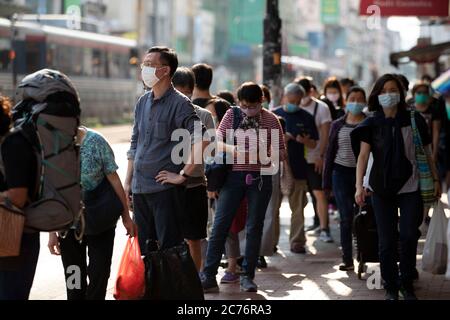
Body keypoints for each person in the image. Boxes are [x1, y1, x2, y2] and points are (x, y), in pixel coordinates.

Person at [352, 74, 440, 300]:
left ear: (401, 94)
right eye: (384, 90)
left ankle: (406, 281)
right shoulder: (371, 122)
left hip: (410, 186)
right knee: (386, 239)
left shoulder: (414, 119)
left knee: (410, 234)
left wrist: (436, 179)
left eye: (393, 90)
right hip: (381, 188)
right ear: (377, 95)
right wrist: (359, 186)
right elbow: (363, 157)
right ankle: (391, 286)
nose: (388, 94)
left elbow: (427, 153)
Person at [201, 82, 286, 293]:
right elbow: (217, 143)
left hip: (260, 178)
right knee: (220, 224)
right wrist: (235, 150)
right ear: (239, 102)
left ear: (261, 101)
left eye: (253, 105)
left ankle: (248, 275)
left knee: (254, 226)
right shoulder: (232, 115)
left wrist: (264, 154)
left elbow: (281, 152)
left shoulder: (271, 119)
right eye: (244, 105)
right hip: (233, 177)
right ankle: (209, 275)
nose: (248, 109)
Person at [125, 47, 206, 254]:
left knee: (170, 250)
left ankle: (171, 287)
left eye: (150, 65)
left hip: (165, 191)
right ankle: (151, 287)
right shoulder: (143, 102)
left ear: (165, 70)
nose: (144, 69)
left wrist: (183, 175)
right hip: (140, 188)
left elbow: (204, 137)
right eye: (144, 64)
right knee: (144, 250)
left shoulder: (180, 104)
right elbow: (135, 143)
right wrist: (128, 182)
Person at [48, 127, 135, 300]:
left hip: (101, 220)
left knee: (99, 274)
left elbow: (114, 180)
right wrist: (52, 233)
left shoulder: (96, 142)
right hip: (68, 227)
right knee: (74, 279)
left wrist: (126, 217)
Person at [172, 67, 215, 271]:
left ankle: (194, 282)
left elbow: (211, 150)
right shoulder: (162, 111)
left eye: (185, 90)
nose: (181, 95)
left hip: (195, 184)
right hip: (167, 186)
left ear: (192, 90)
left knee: (194, 239)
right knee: (170, 239)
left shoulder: (204, 115)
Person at [323, 86, 367, 271]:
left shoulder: (369, 123)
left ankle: (364, 256)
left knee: (363, 217)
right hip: (340, 174)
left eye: (359, 99)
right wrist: (326, 182)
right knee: (346, 217)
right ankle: (347, 259)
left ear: (364, 102)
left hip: (364, 176)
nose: (356, 102)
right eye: (352, 98)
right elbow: (329, 153)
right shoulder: (337, 124)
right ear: (346, 100)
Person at [274, 83, 318, 254]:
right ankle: (271, 242)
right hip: (275, 168)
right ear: (284, 97)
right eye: (290, 100)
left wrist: (303, 141)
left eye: (297, 101)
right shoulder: (274, 115)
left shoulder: (306, 117)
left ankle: (297, 241)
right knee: (273, 208)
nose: (293, 103)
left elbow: (314, 142)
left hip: (299, 168)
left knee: (298, 208)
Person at [296, 77, 333, 243]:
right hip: (297, 158)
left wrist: (321, 155)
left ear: (310, 91)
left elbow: (326, 134)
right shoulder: (293, 107)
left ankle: (325, 228)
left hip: (314, 158)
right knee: (301, 195)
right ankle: (308, 227)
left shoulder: (321, 108)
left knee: (318, 193)